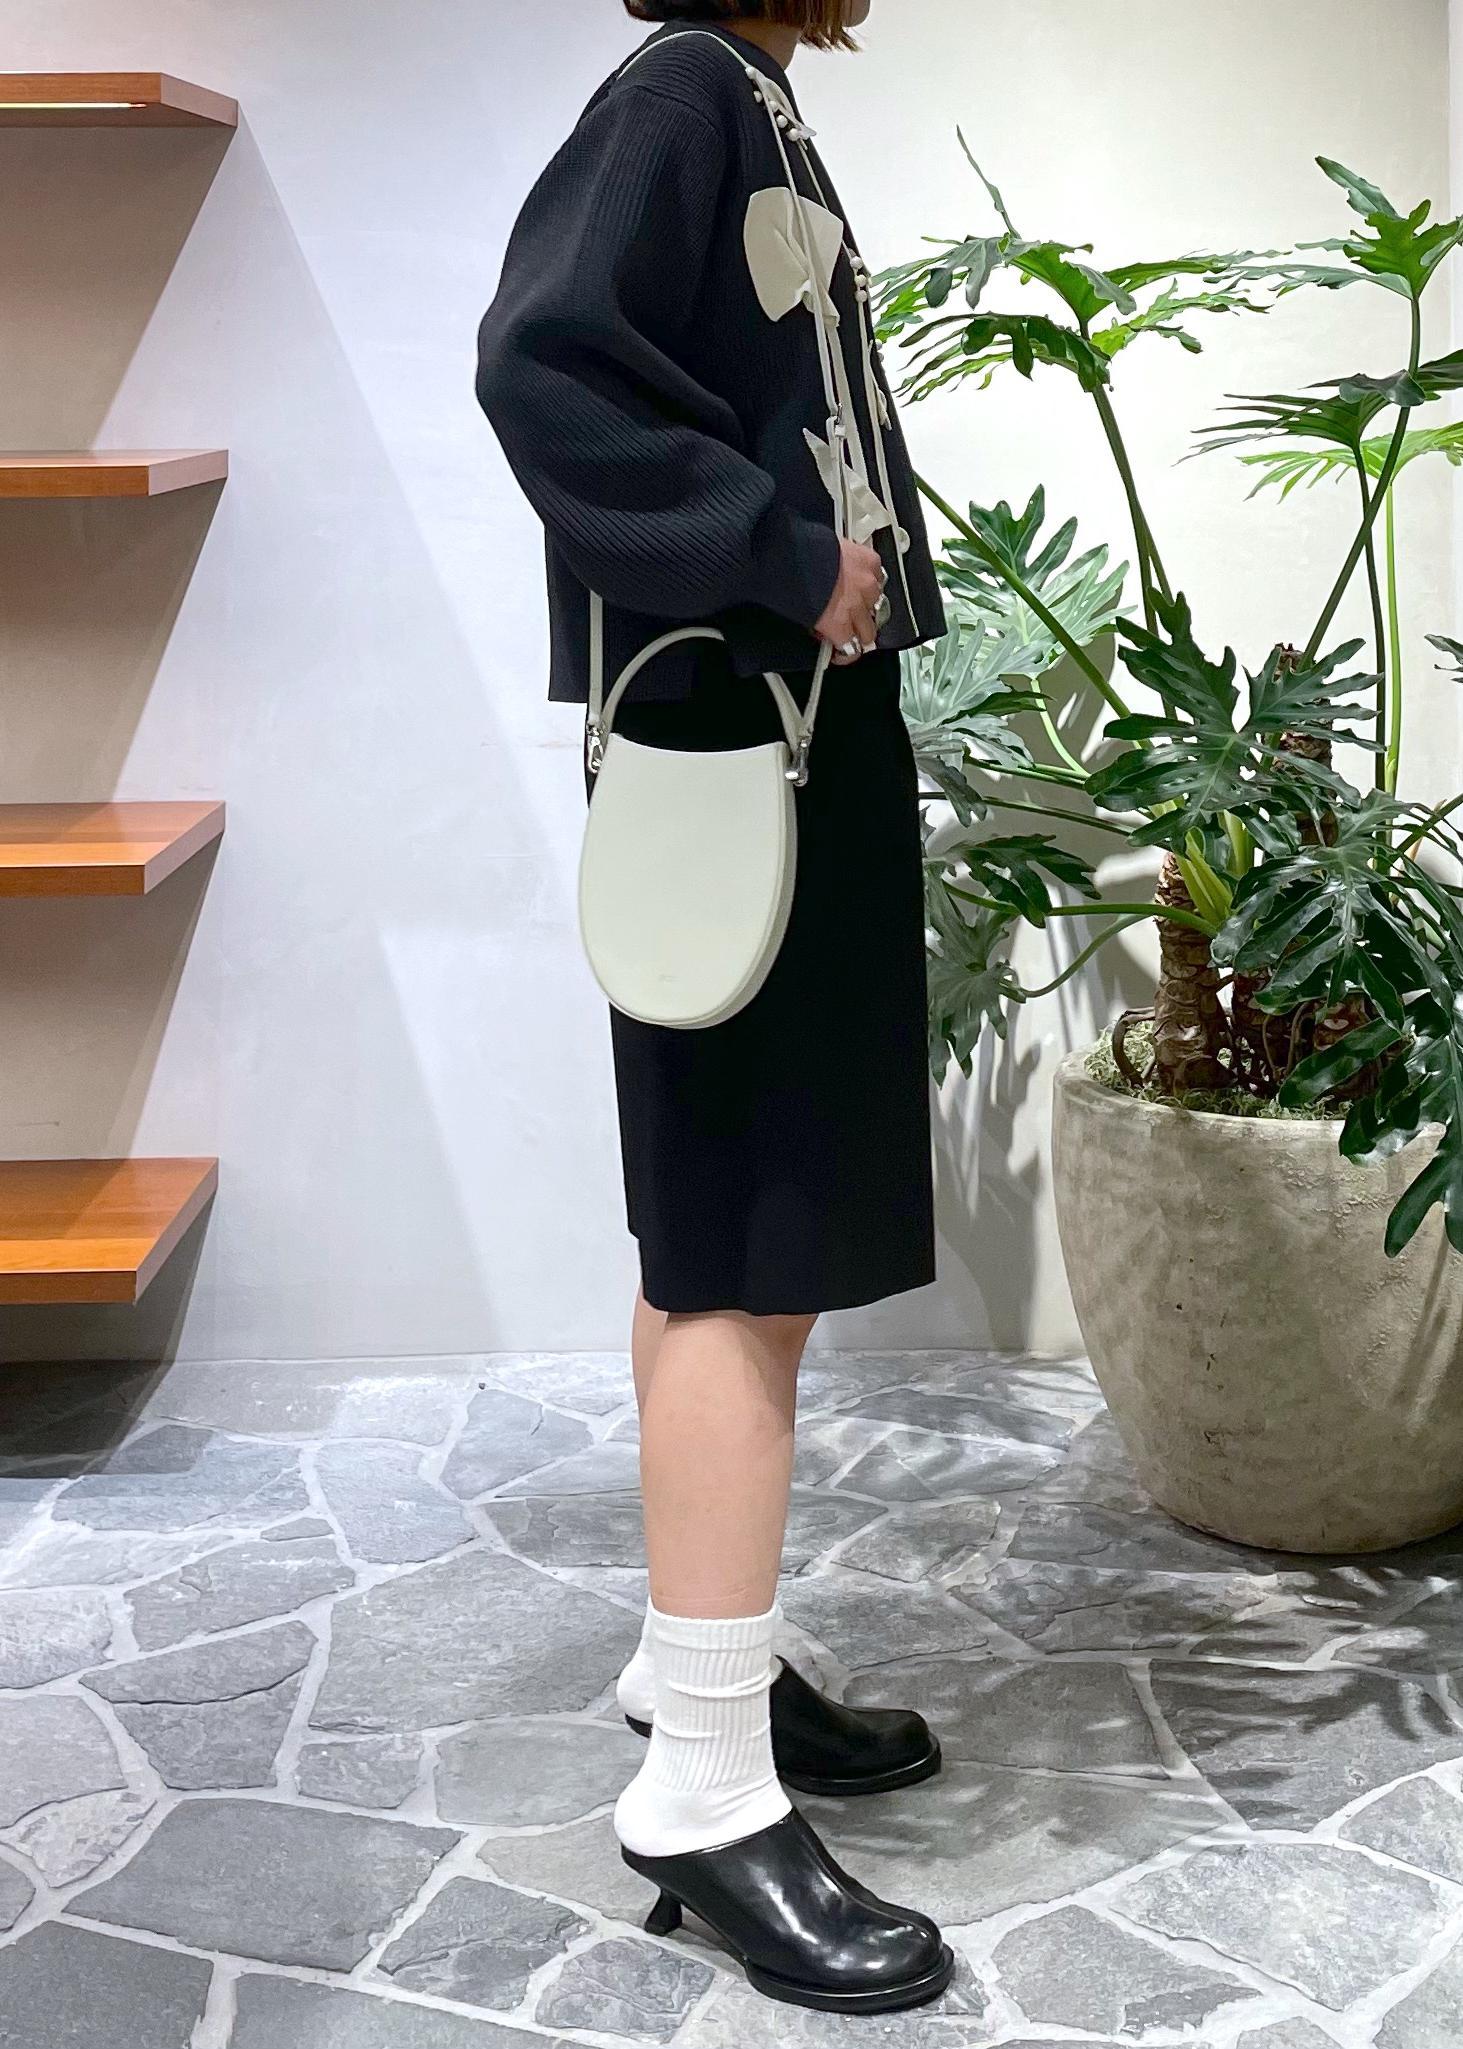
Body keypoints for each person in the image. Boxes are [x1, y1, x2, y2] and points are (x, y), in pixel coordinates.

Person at [477, 0, 953, 2015]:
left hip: (782, 733)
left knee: (748, 1241)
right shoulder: (682, 93)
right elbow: (541, 359)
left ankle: (703, 1662)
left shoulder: (741, 95)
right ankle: (700, 1781)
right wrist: (779, 549)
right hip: (738, 734)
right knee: (739, 1243)